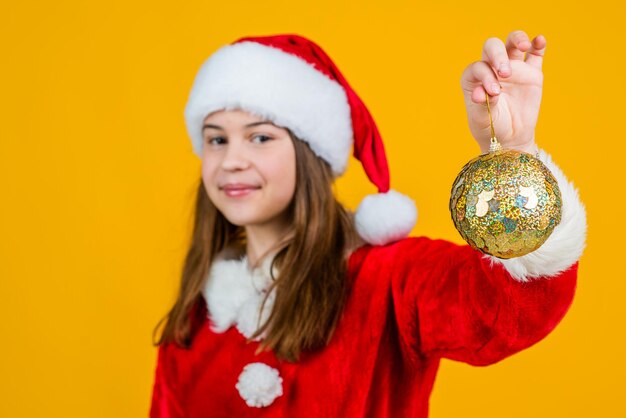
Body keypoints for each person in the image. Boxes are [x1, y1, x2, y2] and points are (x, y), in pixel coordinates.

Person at [149, 31, 587, 417]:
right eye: (216, 139)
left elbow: (508, 312)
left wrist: (515, 153)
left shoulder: (388, 279)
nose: (232, 160)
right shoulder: (200, 313)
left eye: (260, 136)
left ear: (311, 151)